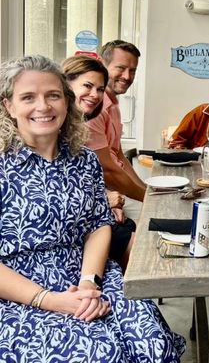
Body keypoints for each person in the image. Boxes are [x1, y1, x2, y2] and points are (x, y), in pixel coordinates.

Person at [0, 55, 185, 361]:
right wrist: (52, 301)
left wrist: (89, 283)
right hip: (20, 291)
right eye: (28, 97)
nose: (43, 106)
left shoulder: (84, 160)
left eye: (53, 95)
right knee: (98, 354)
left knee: (153, 344)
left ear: (66, 101)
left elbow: (99, 224)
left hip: (87, 273)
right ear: (9, 106)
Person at [62, 55, 136, 270]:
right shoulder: (46, 134)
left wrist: (102, 202)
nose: (95, 95)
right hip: (72, 238)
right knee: (147, 246)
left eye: (100, 89)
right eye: (87, 86)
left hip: (93, 223)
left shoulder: (76, 135)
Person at [86, 40, 146, 203]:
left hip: (117, 191)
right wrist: (146, 198)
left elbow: (118, 154)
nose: (127, 77)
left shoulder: (113, 104)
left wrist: (146, 190)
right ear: (101, 64)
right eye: (120, 68)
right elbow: (108, 171)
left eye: (132, 71)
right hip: (102, 195)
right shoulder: (93, 108)